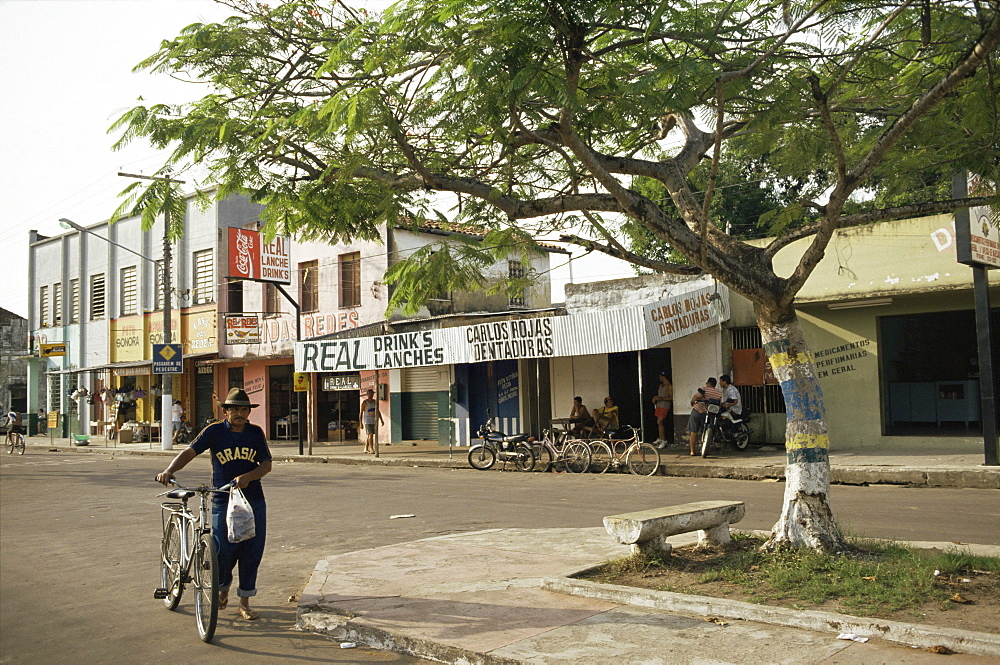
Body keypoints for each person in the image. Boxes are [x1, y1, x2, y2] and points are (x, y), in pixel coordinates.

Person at [155, 388, 272, 621]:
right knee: (221, 551)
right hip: (221, 499)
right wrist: (169, 470)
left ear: (249, 412)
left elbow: (266, 464)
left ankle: (245, 602)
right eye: (234, 409)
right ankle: (222, 588)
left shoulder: (256, 433)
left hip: (253, 501)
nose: (239, 413)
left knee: (251, 551)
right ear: (226, 412)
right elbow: (190, 452)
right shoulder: (214, 431)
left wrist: (249, 476)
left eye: (243, 409)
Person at [686, 378, 723, 456]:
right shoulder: (718, 393)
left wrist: (692, 403)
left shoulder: (703, 389)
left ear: (708, 383)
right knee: (705, 432)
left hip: (697, 411)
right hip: (708, 414)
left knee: (693, 432)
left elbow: (695, 398)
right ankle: (702, 450)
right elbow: (719, 404)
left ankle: (692, 451)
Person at [651, 372, 673, 449]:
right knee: (658, 422)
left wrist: (660, 398)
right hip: (658, 405)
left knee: (660, 421)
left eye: (660, 376)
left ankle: (664, 440)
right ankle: (660, 438)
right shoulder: (660, 385)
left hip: (665, 406)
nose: (659, 378)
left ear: (663, 377)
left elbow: (671, 397)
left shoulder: (669, 386)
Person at [359, 388, 384, 454]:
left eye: (372, 394)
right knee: (371, 434)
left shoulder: (375, 402)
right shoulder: (364, 402)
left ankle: (366, 448)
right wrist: (360, 423)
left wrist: (381, 419)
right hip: (367, 421)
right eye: (369, 394)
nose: (371, 395)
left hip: (374, 420)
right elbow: (361, 413)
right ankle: (371, 448)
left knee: (370, 435)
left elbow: (378, 411)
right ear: (367, 394)